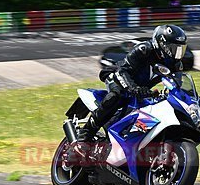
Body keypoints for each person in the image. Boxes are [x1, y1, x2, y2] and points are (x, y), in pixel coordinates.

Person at [68, 24, 188, 163]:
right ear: (162, 43)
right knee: (117, 95)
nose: (176, 53)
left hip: (141, 88)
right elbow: (123, 71)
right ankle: (85, 136)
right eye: (173, 48)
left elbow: (177, 86)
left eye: (180, 49)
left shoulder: (175, 64)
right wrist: (133, 88)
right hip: (118, 76)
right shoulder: (144, 49)